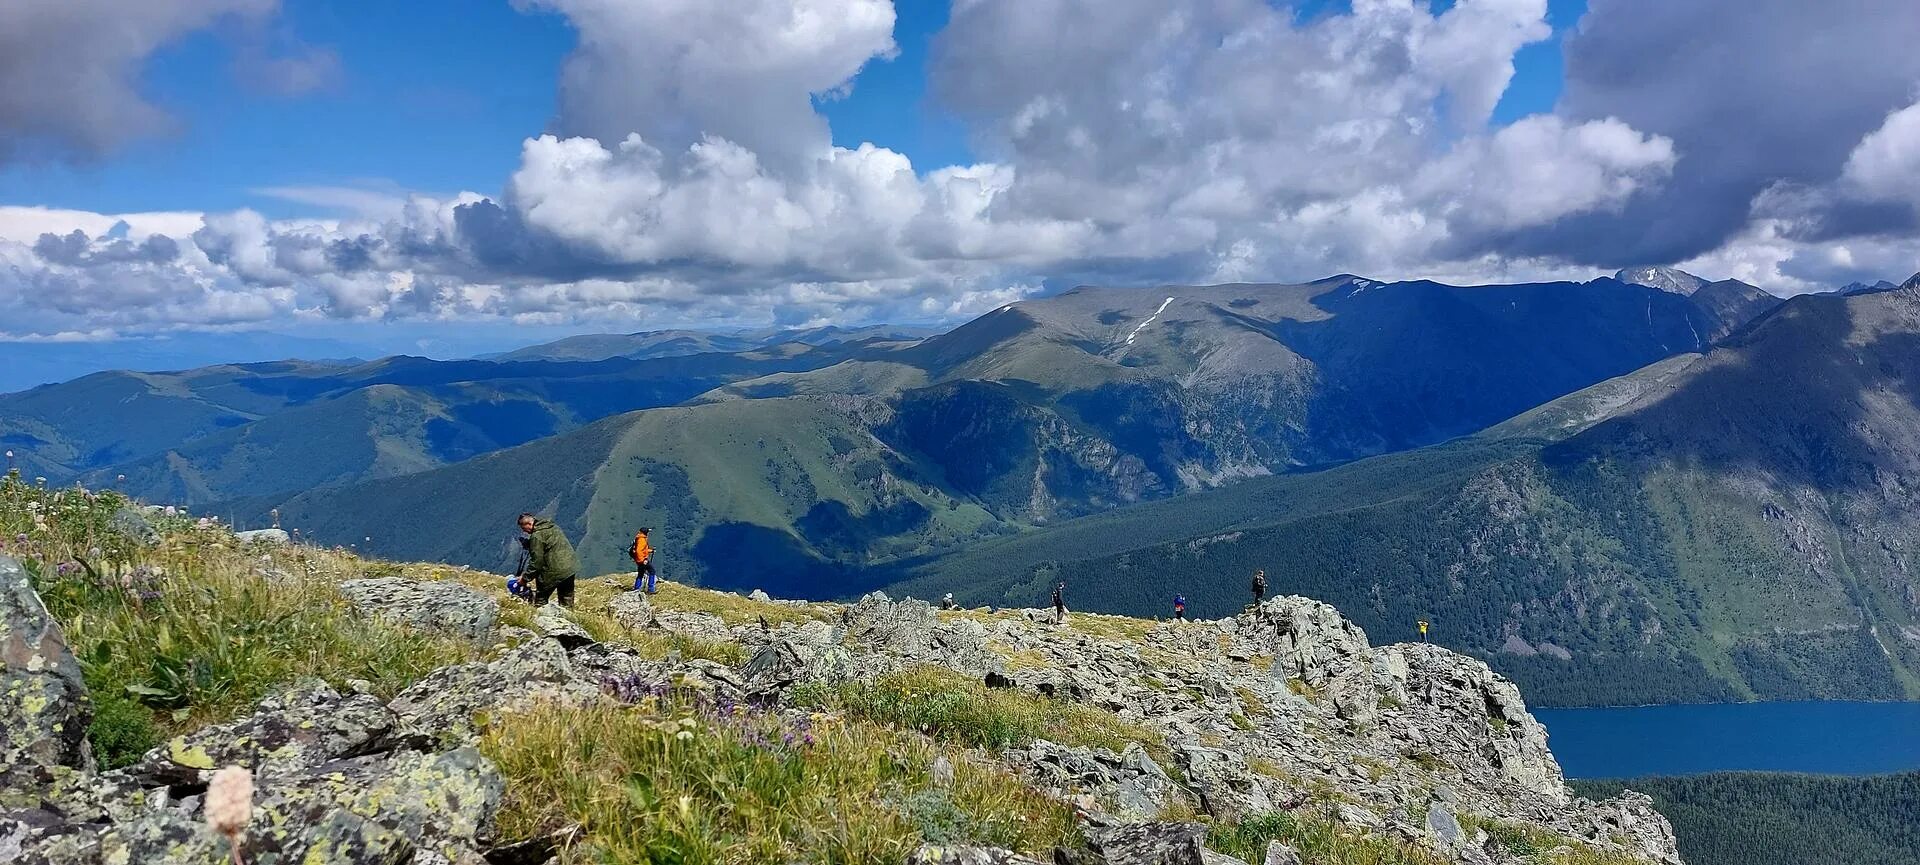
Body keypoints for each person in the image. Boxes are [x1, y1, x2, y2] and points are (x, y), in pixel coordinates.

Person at [517, 512, 579, 608]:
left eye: (524, 528)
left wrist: (525, 579)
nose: (525, 532)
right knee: (567, 599)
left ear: (528, 524)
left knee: (541, 600)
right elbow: (549, 544)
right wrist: (530, 544)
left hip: (554, 570)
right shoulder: (552, 526)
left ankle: (541, 619)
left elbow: (536, 562)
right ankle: (568, 619)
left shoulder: (536, 536)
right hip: (570, 567)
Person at [629, 526, 657, 594]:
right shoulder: (642, 540)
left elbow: (643, 550)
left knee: (640, 574)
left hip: (638, 560)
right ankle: (651, 589)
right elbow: (639, 551)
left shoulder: (639, 538)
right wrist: (643, 560)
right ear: (646, 533)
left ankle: (637, 588)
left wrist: (650, 550)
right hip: (642, 560)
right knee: (652, 571)